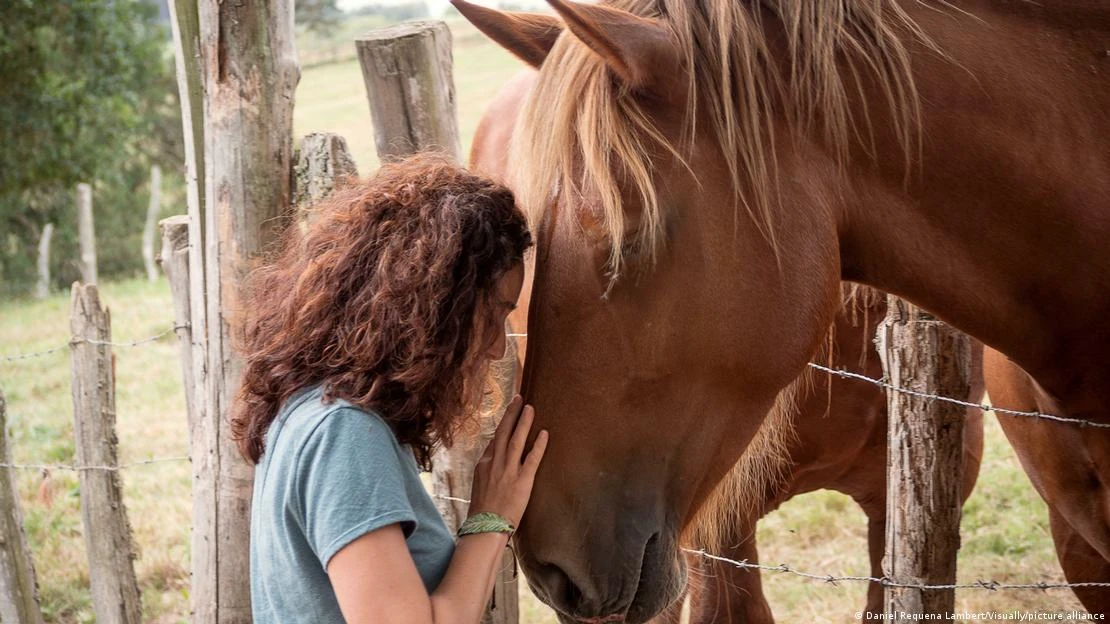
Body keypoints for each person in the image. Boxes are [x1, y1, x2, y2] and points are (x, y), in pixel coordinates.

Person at [231, 154, 547, 624]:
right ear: (438, 306)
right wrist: (492, 516)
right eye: (494, 314)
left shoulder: (313, 410)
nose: (500, 347)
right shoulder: (343, 435)